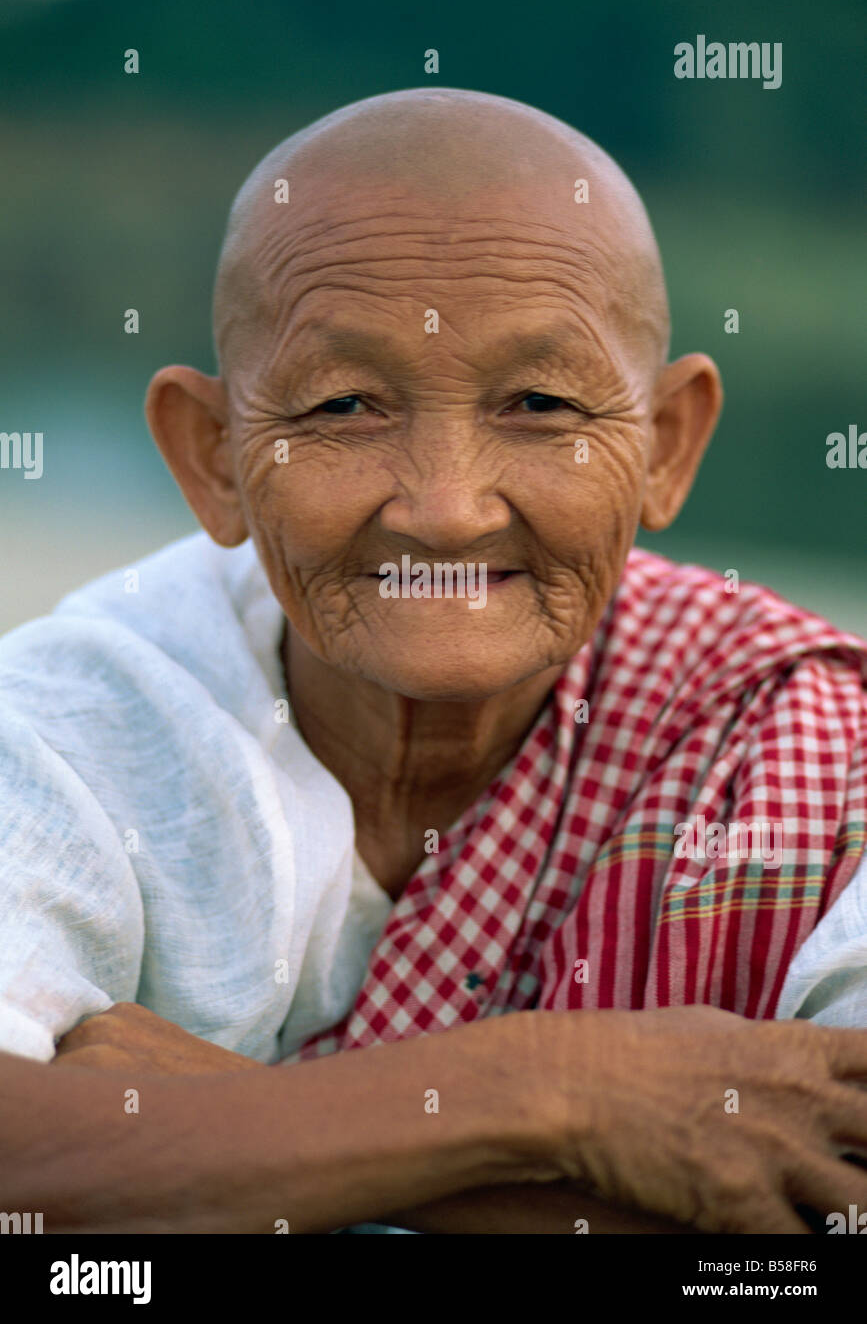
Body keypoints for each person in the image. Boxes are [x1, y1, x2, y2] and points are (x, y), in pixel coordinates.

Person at [1, 88, 866, 1235]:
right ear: (212, 458)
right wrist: (553, 1092)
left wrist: (244, 1128)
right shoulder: (78, 730)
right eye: (346, 404)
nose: (445, 511)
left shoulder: (807, 752)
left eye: (541, 402)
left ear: (667, 445)